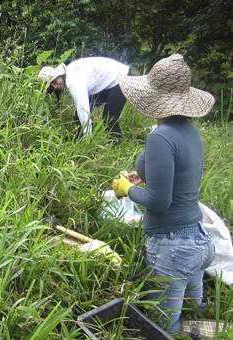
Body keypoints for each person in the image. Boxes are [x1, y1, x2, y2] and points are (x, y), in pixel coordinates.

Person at [111, 54, 215, 333]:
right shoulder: (188, 132)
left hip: (173, 248)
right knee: (195, 315)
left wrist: (128, 189)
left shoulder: (160, 137)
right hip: (199, 241)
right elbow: (178, 172)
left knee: (162, 327)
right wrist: (144, 175)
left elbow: (159, 201)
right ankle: (211, 331)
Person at [38, 57, 130, 142]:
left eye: (54, 81)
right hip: (107, 82)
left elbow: (84, 111)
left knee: (109, 119)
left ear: (60, 74)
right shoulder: (69, 72)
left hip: (121, 78)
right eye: (51, 85)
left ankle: (115, 144)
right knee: (78, 117)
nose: (55, 86)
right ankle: (80, 137)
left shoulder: (73, 81)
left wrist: (87, 142)